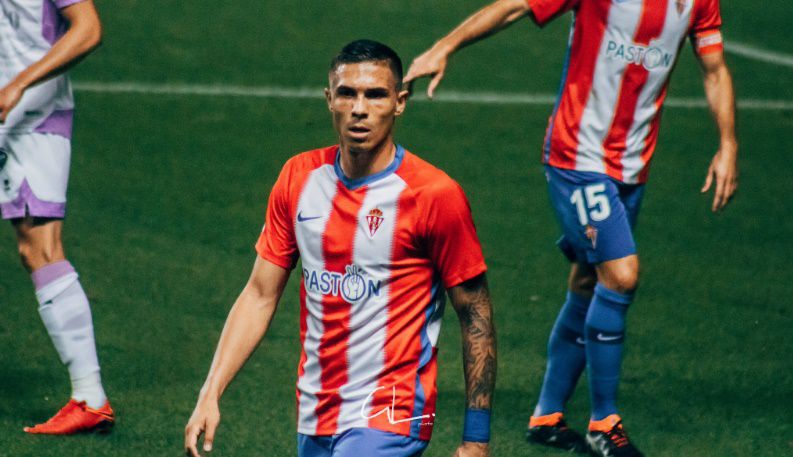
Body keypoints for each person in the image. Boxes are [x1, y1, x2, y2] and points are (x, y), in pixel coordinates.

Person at [404, 0, 738, 455]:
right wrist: (446, 46)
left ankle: (546, 416)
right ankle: (604, 422)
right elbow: (516, 6)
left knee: (589, 281)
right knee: (621, 275)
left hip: (632, 165)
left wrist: (728, 144)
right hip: (577, 157)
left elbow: (715, 70)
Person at [184, 40, 497, 457]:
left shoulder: (434, 195)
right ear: (329, 98)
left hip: (394, 409)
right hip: (316, 409)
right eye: (347, 93)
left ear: (400, 102)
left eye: (376, 95)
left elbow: (475, 313)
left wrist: (476, 439)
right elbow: (259, 294)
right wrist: (211, 391)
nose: (359, 109)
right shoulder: (298, 178)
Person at [0, 0, 113, 435]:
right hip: (13, 113)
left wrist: (18, 84)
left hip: (32, 118)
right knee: (35, 250)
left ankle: (90, 397)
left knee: (41, 249)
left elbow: (88, 29)